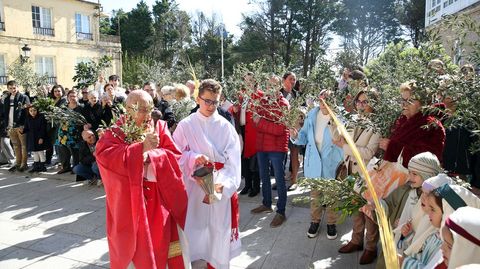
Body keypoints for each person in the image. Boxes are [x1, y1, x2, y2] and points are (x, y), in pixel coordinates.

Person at [96, 90, 189, 269]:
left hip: (158, 198)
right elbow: (104, 156)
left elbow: (175, 156)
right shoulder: (117, 131)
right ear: (128, 109)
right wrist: (140, 149)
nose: (148, 115)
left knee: (163, 242)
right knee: (137, 245)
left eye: (150, 109)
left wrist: (152, 156)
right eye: (142, 110)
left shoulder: (159, 127)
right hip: (130, 200)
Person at [173, 79, 241, 269]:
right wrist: (193, 157)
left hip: (219, 183)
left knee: (218, 228)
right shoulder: (186, 125)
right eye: (207, 101)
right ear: (198, 98)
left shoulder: (225, 127)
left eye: (215, 102)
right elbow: (175, 154)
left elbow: (234, 161)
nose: (211, 106)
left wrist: (223, 186)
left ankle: (216, 263)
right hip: (194, 186)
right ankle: (193, 261)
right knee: (194, 227)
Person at [290, 89, 344, 239]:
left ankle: (331, 223)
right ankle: (315, 221)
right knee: (315, 195)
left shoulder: (339, 117)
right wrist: (295, 136)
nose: (322, 103)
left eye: (326, 100)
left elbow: (342, 141)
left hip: (332, 161)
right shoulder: (312, 115)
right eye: (320, 100)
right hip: (314, 161)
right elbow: (304, 137)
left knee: (332, 196)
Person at [336, 89, 381, 264]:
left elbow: (369, 152)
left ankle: (370, 247)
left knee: (369, 213)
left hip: (367, 174)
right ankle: (356, 240)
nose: (361, 105)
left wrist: (346, 147)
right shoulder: (354, 120)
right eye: (359, 102)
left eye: (365, 102)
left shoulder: (377, 124)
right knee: (355, 209)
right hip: (350, 171)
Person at [250, 75, 290, 228]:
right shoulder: (262, 102)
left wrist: (261, 122)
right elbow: (255, 122)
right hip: (262, 146)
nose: (270, 87)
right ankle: (267, 203)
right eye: (268, 85)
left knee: (279, 179)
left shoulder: (283, 104)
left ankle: (281, 211)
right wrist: (262, 123)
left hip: (276, 147)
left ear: (279, 86)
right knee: (264, 176)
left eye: (273, 85)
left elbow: (280, 129)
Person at [3, 80, 30, 172]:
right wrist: (7, 126)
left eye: (14, 88)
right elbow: (5, 114)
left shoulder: (23, 97)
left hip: (20, 126)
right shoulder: (6, 99)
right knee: (16, 146)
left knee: (23, 146)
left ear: (17, 87)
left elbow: (27, 113)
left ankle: (24, 164)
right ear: (8, 89)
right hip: (10, 127)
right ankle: (18, 163)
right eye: (10, 88)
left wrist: (24, 125)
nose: (12, 90)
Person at [24, 105, 48, 173]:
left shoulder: (41, 117)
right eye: (31, 111)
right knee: (35, 152)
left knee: (40, 152)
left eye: (34, 110)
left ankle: (42, 166)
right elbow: (26, 128)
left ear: (37, 111)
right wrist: (22, 131)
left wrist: (41, 137)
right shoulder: (28, 118)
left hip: (39, 137)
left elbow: (43, 128)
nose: (33, 112)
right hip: (31, 138)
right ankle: (36, 166)